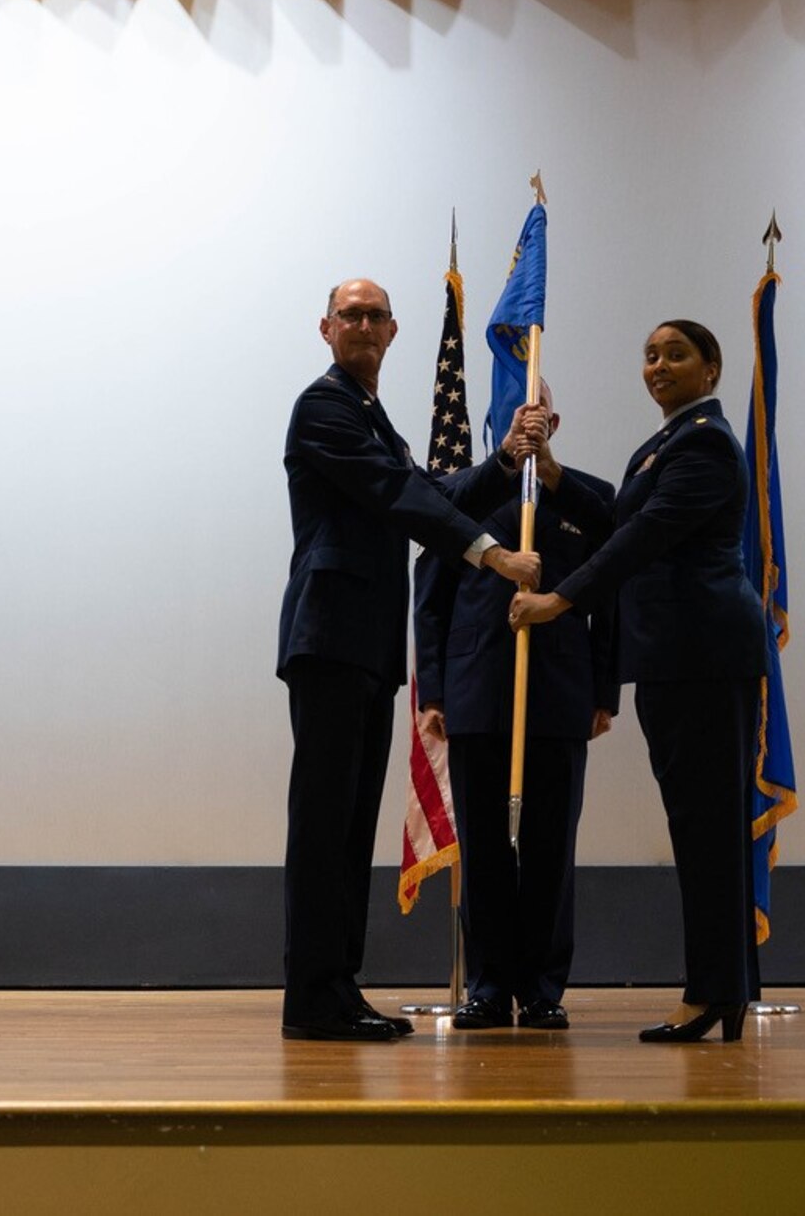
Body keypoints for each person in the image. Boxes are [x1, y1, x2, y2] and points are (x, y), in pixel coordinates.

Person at [278, 277, 540, 1042]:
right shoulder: (324, 406)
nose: (362, 324)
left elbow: (431, 485)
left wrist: (505, 458)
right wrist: (490, 552)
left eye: (375, 315)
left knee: (352, 823)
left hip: (363, 647)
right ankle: (313, 996)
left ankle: (336, 987)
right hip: (328, 638)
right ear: (325, 327)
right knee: (325, 824)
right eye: (349, 314)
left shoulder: (373, 420)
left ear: (394, 332)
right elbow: (399, 492)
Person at [508, 320, 767, 1043]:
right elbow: (623, 517)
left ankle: (714, 991)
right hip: (672, 662)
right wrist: (553, 474)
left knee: (708, 828)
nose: (657, 365)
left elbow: (640, 538)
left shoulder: (707, 442)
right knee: (697, 826)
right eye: (649, 354)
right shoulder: (662, 446)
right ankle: (724, 988)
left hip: (705, 658)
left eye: (675, 353)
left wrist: (560, 600)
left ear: (711, 369)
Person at [413, 384, 617, 1032]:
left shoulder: (590, 498)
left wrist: (605, 691)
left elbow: (613, 593)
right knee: (485, 848)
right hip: (476, 693)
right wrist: (437, 691)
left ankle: (543, 988)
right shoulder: (463, 494)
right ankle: (489, 986)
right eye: (513, 412)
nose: (526, 421)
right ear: (497, 421)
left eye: (536, 412)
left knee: (551, 847)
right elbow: (432, 600)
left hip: (559, 694)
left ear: (555, 420)